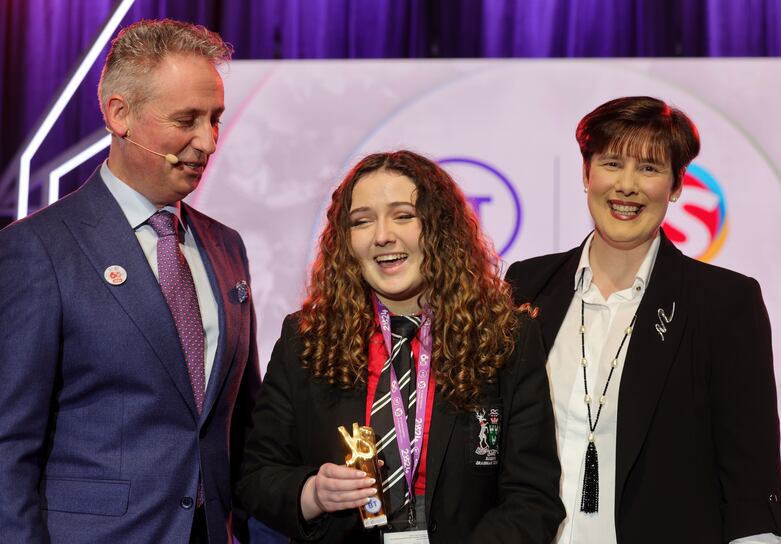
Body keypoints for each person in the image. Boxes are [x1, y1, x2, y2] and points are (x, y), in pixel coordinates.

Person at [0, 19, 260, 543]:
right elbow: (8, 446)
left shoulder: (226, 246)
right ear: (120, 115)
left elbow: (246, 425)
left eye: (214, 119)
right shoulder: (38, 249)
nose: (207, 141)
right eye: (187, 119)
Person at [237, 150, 564, 543]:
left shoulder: (505, 338)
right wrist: (312, 493)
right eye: (362, 221)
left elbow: (532, 498)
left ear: (440, 228)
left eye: (403, 215)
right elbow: (256, 476)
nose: (382, 235)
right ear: (346, 241)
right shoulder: (306, 339)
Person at [506, 96, 781, 543]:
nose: (627, 186)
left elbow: (750, 476)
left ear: (676, 186)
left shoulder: (724, 302)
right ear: (586, 173)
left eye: (650, 169)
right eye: (612, 163)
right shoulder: (527, 285)